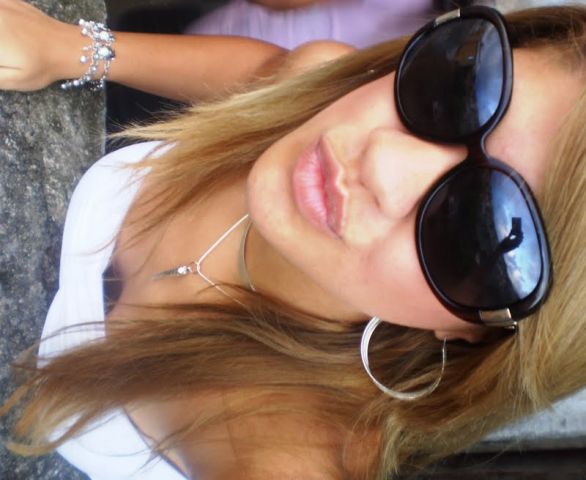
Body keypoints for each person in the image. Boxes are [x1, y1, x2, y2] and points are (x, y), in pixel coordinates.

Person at [1, 4, 586, 480]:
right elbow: (272, 75)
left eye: (480, 230)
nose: (384, 161)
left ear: (472, 330)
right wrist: (66, 48)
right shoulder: (320, 88)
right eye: (461, 88)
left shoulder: (286, 450)